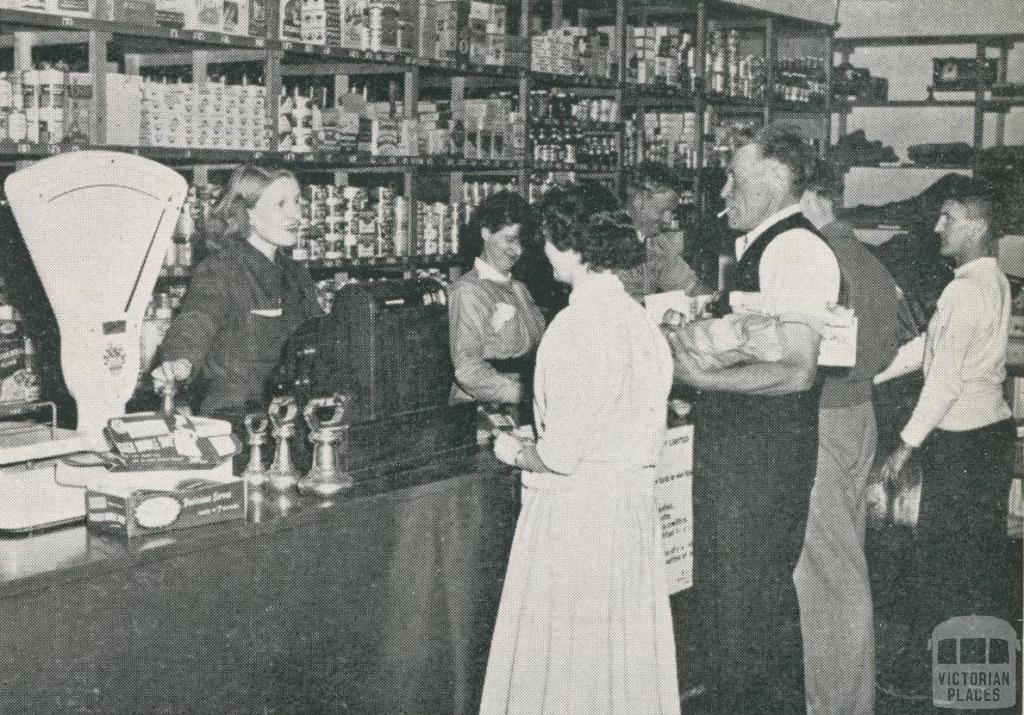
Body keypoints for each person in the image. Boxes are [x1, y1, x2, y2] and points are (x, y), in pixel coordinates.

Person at [481, 184, 680, 714]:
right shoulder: (640, 322)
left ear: (571, 246)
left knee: (566, 678)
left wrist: (513, 449)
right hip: (628, 521)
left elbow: (559, 457)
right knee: (618, 675)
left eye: (546, 240)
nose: (542, 253)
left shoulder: (577, 327)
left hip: (577, 528)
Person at [665, 125, 840, 714]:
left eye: (733, 177)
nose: (722, 190)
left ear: (770, 177)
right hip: (743, 455)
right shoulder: (761, 249)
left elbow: (796, 372)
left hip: (760, 460)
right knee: (735, 609)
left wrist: (694, 375)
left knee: (746, 612)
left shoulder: (793, 249)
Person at [792, 160, 918, 715]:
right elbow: (900, 340)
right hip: (860, 412)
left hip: (824, 415)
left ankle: (839, 704)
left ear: (814, 201)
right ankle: (846, 696)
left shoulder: (822, 258)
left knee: (825, 574)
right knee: (845, 561)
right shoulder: (870, 259)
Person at [878, 182, 1016, 692]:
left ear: (977, 227)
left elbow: (943, 382)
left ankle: (933, 680)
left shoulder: (964, 290)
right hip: (989, 438)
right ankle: (978, 678)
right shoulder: (990, 279)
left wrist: (905, 445)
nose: (938, 227)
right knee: (976, 561)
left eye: (949, 217)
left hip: (962, 444)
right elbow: (928, 349)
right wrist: (869, 375)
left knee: (944, 566)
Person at [152, 165, 323, 441]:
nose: (296, 215)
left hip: (291, 418)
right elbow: (197, 320)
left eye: (296, 202)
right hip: (236, 422)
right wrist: (180, 361)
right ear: (248, 213)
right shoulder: (222, 269)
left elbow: (320, 338)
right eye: (281, 204)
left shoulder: (296, 274)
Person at [448, 191, 546, 435]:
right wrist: (524, 394)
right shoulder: (469, 290)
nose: (516, 250)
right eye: (509, 240)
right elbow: (467, 369)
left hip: (520, 408)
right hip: (480, 415)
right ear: (486, 233)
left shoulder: (520, 289)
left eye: (521, 242)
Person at [619, 160, 708, 300]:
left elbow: (691, 286)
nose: (667, 221)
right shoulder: (608, 238)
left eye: (671, 212)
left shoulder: (656, 242)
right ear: (639, 200)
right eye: (663, 211)